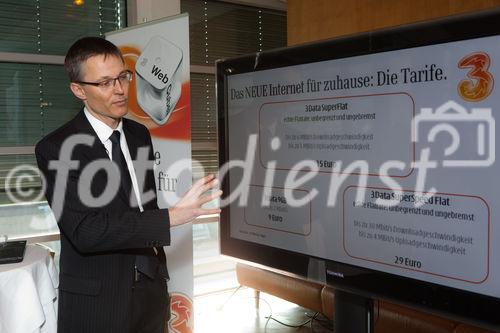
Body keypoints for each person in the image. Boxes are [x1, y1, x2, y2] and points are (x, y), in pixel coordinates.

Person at [35, 37, 221, 333]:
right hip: (98, 302)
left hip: (151, 290)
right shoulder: (56, 149)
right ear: (79, 90)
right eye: (105, 82)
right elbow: (85, 231)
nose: (121, 89)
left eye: (123, 76)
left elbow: (143, 205)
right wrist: (172, 217)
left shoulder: (138, 135)